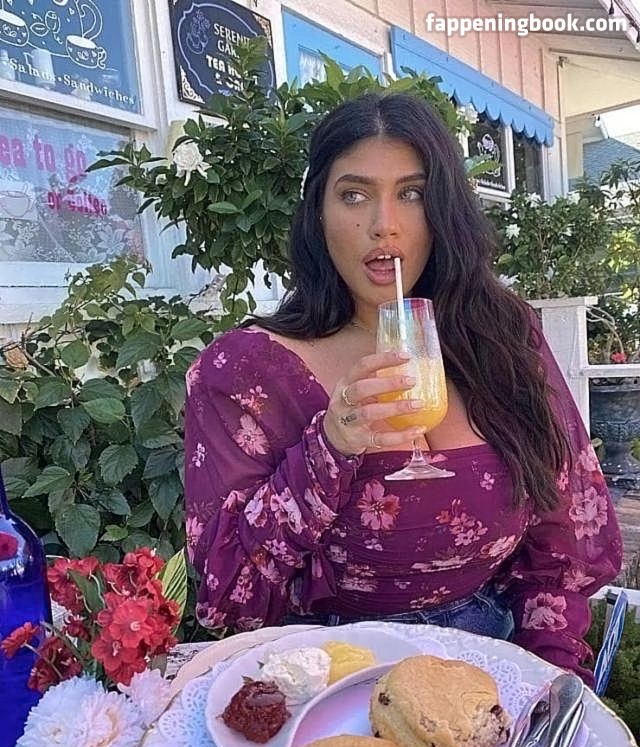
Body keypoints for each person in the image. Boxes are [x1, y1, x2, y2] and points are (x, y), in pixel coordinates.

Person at [184, 92, 622, 683]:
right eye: (354, 195)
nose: (383, 224)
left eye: (411, 194)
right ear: (318, 213)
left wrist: (549, 679)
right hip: (324, 677)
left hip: (488, 664)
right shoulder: (245, 371)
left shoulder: (500, 336)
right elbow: (227, 596)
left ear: (443, 210)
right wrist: (329, 449)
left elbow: (563, 533)